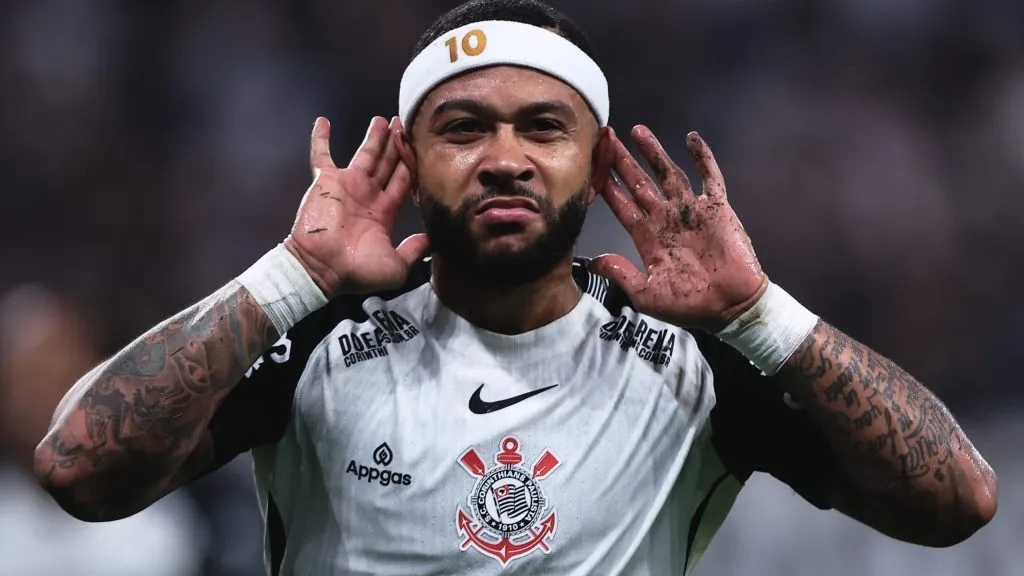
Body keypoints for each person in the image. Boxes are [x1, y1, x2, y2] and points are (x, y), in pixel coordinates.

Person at [34, 0, 998, 574]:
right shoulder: (316, 333)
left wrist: (760, 314)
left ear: (596, 157)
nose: (505, 159)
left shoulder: (701, 358)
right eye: (463, 130)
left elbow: (957, 503)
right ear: (408, 157)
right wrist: (293, 277)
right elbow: (78, 471)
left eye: (543, 127)